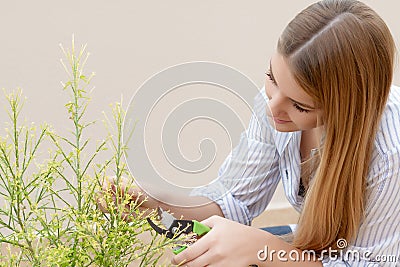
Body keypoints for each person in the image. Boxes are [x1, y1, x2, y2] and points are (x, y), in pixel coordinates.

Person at [100, 0, 400, 266]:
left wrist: (262, 249)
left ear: (346, 109)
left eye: (299, 105)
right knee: (205, 246)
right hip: (326, 249)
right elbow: (233, 202)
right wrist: (153, 203)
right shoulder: (277, 108)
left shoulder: (389, 154)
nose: (273, 108)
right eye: (272, 78)